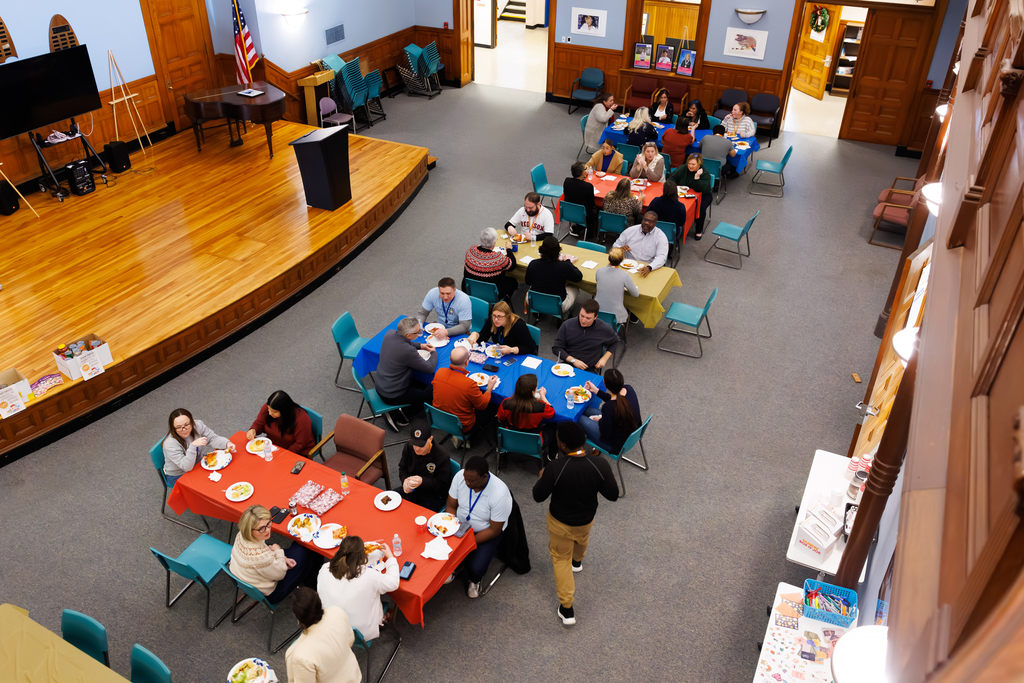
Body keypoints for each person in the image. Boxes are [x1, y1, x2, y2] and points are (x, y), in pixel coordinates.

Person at [533, 421, 619, 626]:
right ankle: (577, 562)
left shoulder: (555, 468)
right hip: (586, 520)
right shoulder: (600, 465)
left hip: (560, 524)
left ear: (562, 445)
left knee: (560, 560)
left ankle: (567, 608)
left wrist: (542, 478)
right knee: (582, 539)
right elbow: (613, 495)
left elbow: (538, 496)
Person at [446, 455, 513, 598]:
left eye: (471, 481)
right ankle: (455, 565)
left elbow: (494, 530)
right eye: (465, 478)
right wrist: (453, 527)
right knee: (438, 552)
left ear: (484, 477)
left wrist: (466, 543)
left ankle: (475, 580)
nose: (467, 483)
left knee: (476, 568)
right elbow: (451, 506)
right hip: (459, 525)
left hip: (485, 532)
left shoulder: (500, 495)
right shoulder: (460, 477)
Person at [230, 504, 322, 604]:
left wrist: (282, 557)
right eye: (261, 528)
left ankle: (311, 582)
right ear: (250, 530)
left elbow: (262, 558)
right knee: (308, 551)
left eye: (269, 523)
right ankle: (315, 589)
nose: (268, 530)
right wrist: (279, 552)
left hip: (250, 578)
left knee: (306, 553)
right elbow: (280, 574)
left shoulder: (241, 534)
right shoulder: (261, 556)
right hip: (272, 592)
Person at [317, 536, 399, 641]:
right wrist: (391, 557)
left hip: (331, 627)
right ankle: (383, 618)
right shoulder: (369, 575)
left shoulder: (325, 569)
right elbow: (393, 583)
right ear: (362, 557)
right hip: (359, 634)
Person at [285, 588, 362, 683]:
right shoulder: (337, 611)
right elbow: (350, 641)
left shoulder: (300, 655)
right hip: (354, 676)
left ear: (296, 616)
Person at [375, 317, 437, 427]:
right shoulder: (407, 351)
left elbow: (403, 344)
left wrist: (420, 345)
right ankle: (400, 415)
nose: (420, 333)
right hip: (393, 394)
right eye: (418, 332)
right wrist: (433, 353)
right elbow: (429, 368)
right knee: (433, 392)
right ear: (408, 336)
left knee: (422, 384)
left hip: (382, 385)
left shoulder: (390, 334)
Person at [432, 345, 497, 437]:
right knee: (493, 406)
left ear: (449, 358)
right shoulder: (469, 384)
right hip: (463, 426)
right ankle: (473, 437)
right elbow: (482, 405)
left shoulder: (439, 372)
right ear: (467, 362)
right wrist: (489, 388)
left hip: (440, 419)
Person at [394, 414, 453, 511]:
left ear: (430, 439)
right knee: (390, 499)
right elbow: (402, 468)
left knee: (415, 518)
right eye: (414, 444)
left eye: (421, 445)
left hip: (433, 496)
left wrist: (423, 481)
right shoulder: (408, 447)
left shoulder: (442, 457)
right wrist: (405, 481)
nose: (416, 449)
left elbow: (442, 486)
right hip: (412, 490)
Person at [162, 408, 235, 487]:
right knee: (208, 487)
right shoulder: (170, 444)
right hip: (179, 474)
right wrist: (193, 446)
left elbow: (212, 438)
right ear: (173, 428)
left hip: (197, 463)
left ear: (192, 422)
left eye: (187, 425)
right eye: (179, 427)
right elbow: (186, 467)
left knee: (225, 472)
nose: (184, 429)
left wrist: (226, 443)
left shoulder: (198, 425)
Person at [496, 373, 557, 464]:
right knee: (555, 426)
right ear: (533, 392)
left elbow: (500, 418)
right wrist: (543, 396)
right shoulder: (541, 407)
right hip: (535, 443)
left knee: (496, 421)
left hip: (510, 440)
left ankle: (501, 452)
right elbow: (552, 413)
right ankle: (550, 458)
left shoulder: (506, 403)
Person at [579, 368, 641, 454]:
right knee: (585, 410)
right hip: (630, 434)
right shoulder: (628, 389)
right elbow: (613, 399)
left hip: (615, 445)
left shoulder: (608, 407)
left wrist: (600, 420)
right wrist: (595, 390)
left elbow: (606, 434)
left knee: (578, 418)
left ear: (605, 384)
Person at [552, 299, 619, 373]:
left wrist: (604, 358)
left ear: (595, 317)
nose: (583, 320)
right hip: (568, 365)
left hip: (590, 369)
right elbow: (557, 348)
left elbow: (615, 341)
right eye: (582, 316)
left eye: (588, 318)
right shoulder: (567, 325)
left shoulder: (604, 328)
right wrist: (573, 360)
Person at [246, 390, 316, 457]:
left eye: (274, 412)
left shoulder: (302, 419)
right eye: (268, 409)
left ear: (284, 411)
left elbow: (300, 444)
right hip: (274, 446)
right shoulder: (268, 408)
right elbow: (259, 423)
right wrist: (253, 429)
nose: (270, 413)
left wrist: (282, 455)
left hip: (296, 451)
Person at [526, 235, 584, 314]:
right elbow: (578, 277)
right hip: (558, 305)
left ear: (541, 250)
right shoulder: (564, 266)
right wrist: (568, 262)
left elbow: (528, 282)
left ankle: (539, 311)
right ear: (558, 251)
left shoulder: (533, 264)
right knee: (575, 288)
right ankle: (565, 314)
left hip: (534, 301)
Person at [463, 227, 519, 304]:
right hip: (492, 293)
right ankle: (502, 305)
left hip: (470, 289)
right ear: (494, 243)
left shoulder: (470, 250)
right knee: (513, 282)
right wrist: (509, 249)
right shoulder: (498, 258)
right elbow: (512, 265)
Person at [466, 300, 538, 356]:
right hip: (500, 355)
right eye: (494, 315)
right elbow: (483, 338)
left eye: (499, 317)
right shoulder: (492, 320)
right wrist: (475, 334)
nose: (496, 319)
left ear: (507, 316)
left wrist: (511, 350)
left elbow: (531, 348)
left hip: (516, 356)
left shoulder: (518, 325)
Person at [613, 211, 669, 277]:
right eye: (645, 220)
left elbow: (661, 257)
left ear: (655, 223)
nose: (646, 223)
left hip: (647, 266)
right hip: (628, 264)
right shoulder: (630, 230)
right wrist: (619, 249)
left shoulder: (660, 237)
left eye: (650, 221)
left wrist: (650, 267)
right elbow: (615, 245)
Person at [669, 153, 712, 239]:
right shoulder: (683, 168)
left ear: (699, 164)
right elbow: (672, 177)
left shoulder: (705, 173)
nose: (690, 166)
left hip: (704, 195)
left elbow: (699, 189)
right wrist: (673, 187)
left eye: (693, 164)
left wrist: (696, 177)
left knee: (700, 208)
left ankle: (698, 230)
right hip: (684, 194)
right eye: (689, 163)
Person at [595, 247, 640, 325]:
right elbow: (635, 294)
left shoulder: (599, 270)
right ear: (622, 260)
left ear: (608, 258)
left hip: (597, 312)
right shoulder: (625, 275)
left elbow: (598, 280)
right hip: (616, 316)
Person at [562, 161, 597, 239]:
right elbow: (592, 205)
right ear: (584, 173)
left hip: (568, 212)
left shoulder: (567, 181)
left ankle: (578, 227)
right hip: (584, 214)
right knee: (595, 211)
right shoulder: (588, 186)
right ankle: (590, 234)